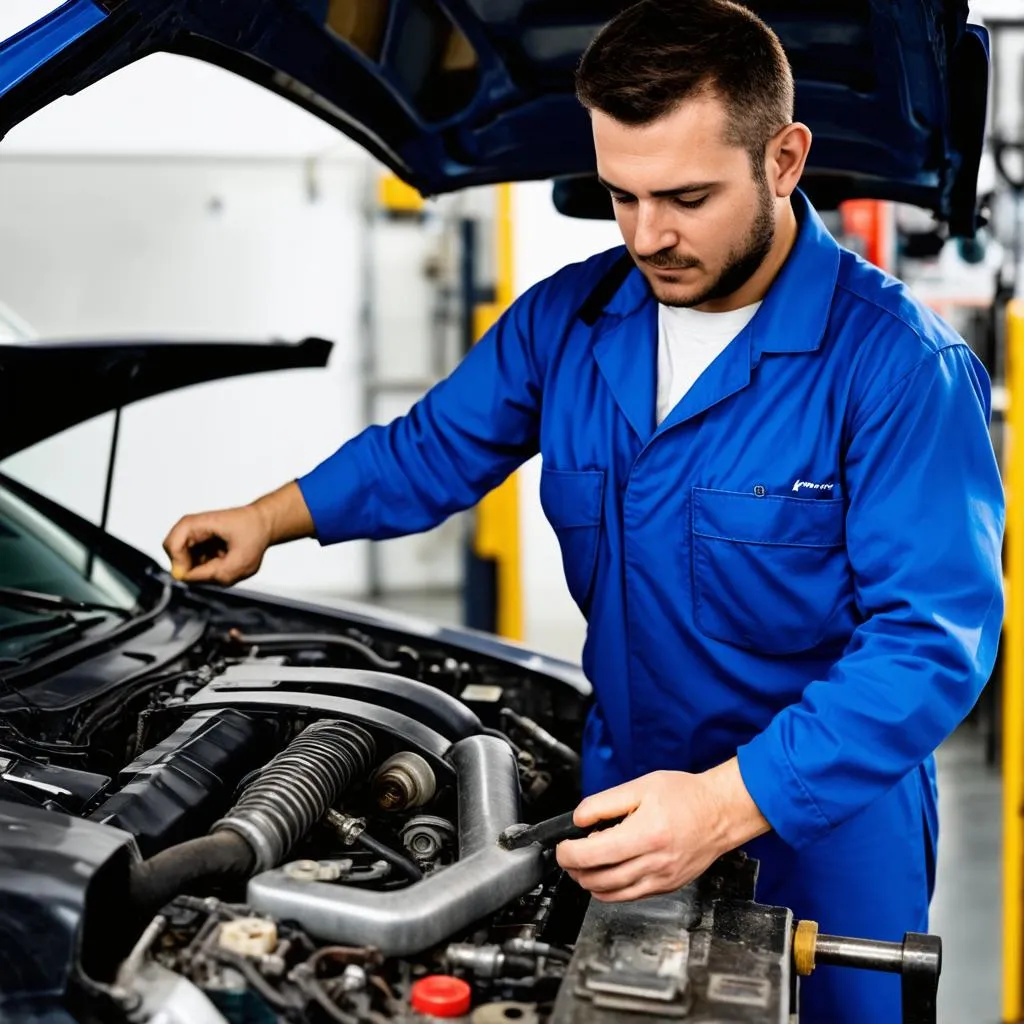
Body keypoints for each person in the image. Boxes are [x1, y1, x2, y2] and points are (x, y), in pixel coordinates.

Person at [163, 2, 1004, 1020]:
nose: (648, 236)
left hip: (822, 821)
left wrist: (731, 801)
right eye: (621, 195)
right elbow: (431, 450)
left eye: (686, 197)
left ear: (783, 160)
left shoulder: (897, 367)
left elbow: (931, 641)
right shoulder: (569, 319)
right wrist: (270, 516)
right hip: (627, 777)